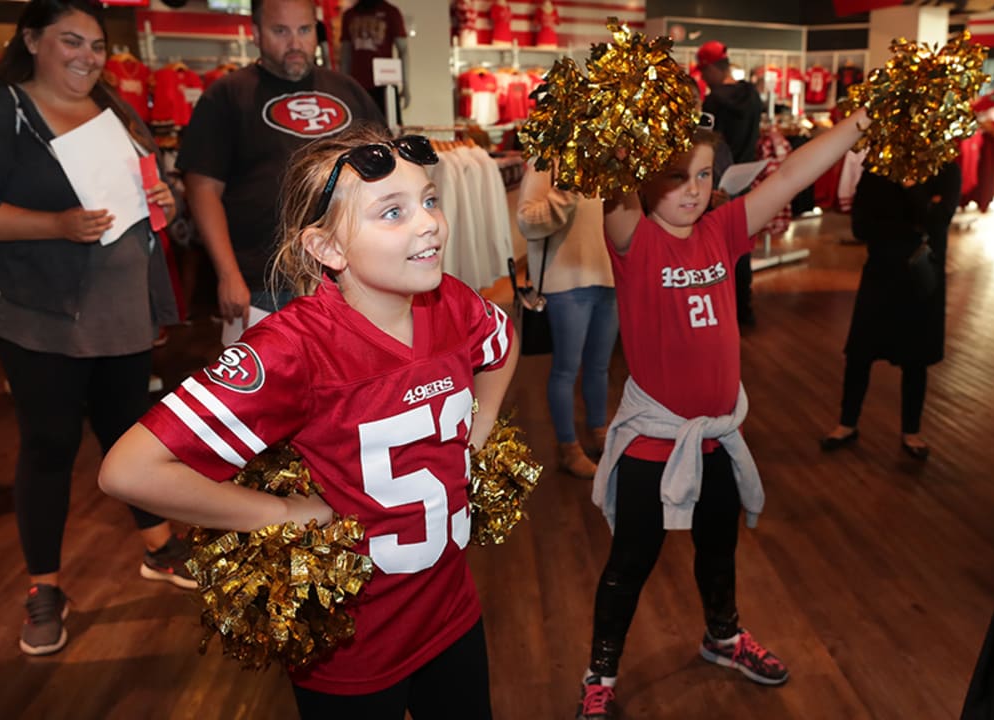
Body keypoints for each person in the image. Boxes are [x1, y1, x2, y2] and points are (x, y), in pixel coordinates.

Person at [99, 125, 518, 718]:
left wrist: (483, 422)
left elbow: (501, 343)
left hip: (452, 613)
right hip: (353, 649)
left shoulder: (451, 300)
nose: (429, 223)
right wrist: (279, 513)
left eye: (428, 200)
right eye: (392, 212)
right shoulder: (290, 349)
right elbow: (129, 470)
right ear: (327, 250)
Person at [575, 107, 871, 719]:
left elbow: (789, 178)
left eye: (705, 176)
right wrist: (610, 121)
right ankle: (599, 674)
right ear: (647, 176)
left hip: (715, 439)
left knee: (718, 549)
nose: (693, 189)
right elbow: (612, 177)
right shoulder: (635, 237)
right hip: (655, 441)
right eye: (678, 174)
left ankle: (723, 638)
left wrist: (860, 122)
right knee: (630, 564)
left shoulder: (724, 229)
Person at [0, 0, 186, 657]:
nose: (87, 56)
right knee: (48, 447)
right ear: (32, 41)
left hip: (124, 305)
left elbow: (152, 187)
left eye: (97, 44)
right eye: (70, 41)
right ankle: (43, 586)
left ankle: (159, 548)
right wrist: (54, 224)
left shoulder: (117, 109)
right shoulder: (2, 112)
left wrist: (168, 198)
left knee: (131, 435)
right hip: (41, 313)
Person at [180, 0, 383, 347]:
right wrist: (227, 273)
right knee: (270, 397)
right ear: (256, 33)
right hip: (263, 284)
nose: (295, 43)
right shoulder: (226, 96)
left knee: (352, 390)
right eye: (280, 31)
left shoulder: (349, 91)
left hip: (349, 276)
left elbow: (383, 176)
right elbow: (202, 189)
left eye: (304, 30)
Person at [820, 162, 962, 460]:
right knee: (859, 353)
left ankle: (912, 430)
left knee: (916, 359)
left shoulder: (944, 167)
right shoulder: (878, 167)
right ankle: (847, 423)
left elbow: (938, 221)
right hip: (881, 271)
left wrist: (912, 188)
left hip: (920, 273)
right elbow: (861, 226)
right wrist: (916, 216)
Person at [516, 162, 617, 479]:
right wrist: (569, 187)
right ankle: (568, 447)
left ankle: (599, 431)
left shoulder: (608, 153)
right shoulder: (549, 157)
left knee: (600, 366)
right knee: (566, 369)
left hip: (609, 276)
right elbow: (527, 221)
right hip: (565, 281)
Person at [696, 41, 764, 327]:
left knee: (713, 248)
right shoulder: (752, 94)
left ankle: (720, 310)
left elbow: (711, 145)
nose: (702, 77)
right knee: (741, 246)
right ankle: (743, 309)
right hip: (744, 178)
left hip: (718, 180)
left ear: (712, 68)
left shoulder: (713, 102)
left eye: (703, 71)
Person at [338, 0, 409, 122]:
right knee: (359, 130)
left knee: (389, 129)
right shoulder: (349, 15)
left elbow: (403, 50)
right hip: (358, 85)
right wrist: (344, 86)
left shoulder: (391, 12)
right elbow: (346, 54)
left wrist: (405, 85)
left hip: (385, 84)